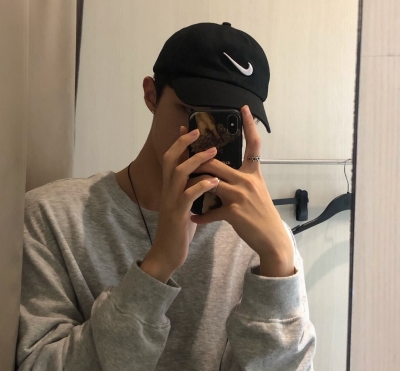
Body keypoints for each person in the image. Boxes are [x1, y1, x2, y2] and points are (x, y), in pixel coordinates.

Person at [16, 22, 316, 370]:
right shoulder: (52, 217)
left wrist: (278, 259)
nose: (211, 139)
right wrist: (156, 267)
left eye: (230, 122)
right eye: (196, 114)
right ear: (151, 95)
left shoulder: (264, 242)